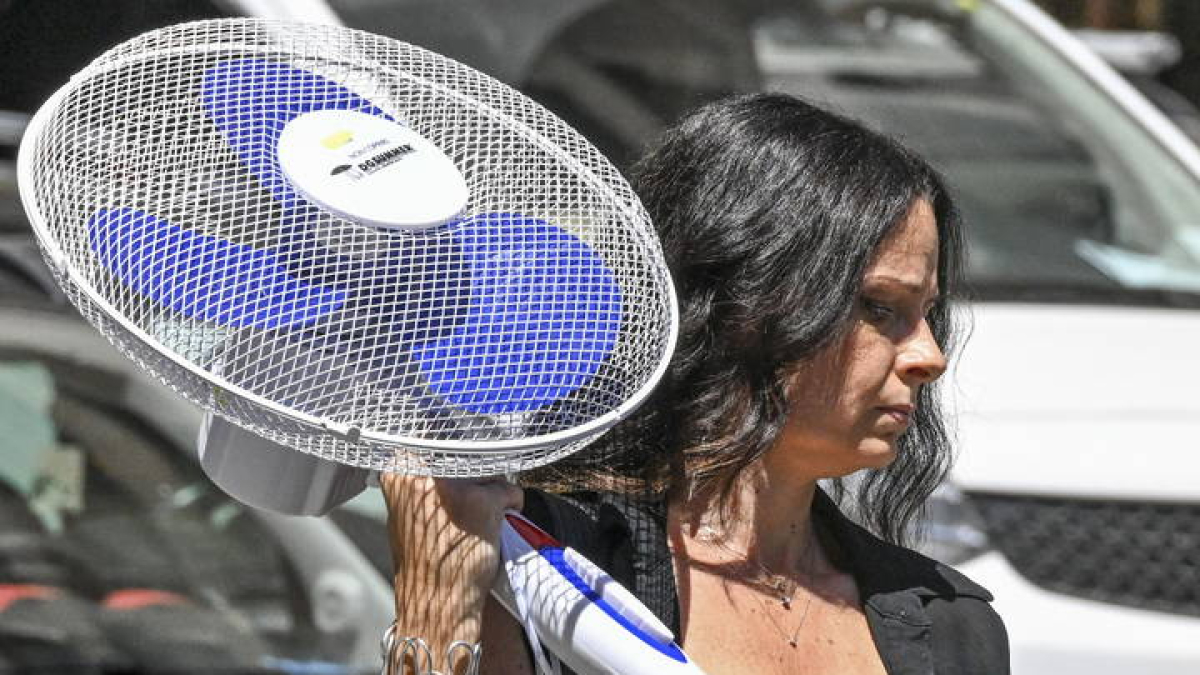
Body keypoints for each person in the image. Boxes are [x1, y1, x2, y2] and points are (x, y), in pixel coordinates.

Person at [378, 93, 1009, 674]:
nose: (930, 356)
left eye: (926, 314)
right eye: (878, 308)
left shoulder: (949, 623)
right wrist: (438, 601)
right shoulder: (544, 563)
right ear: (741, 305)